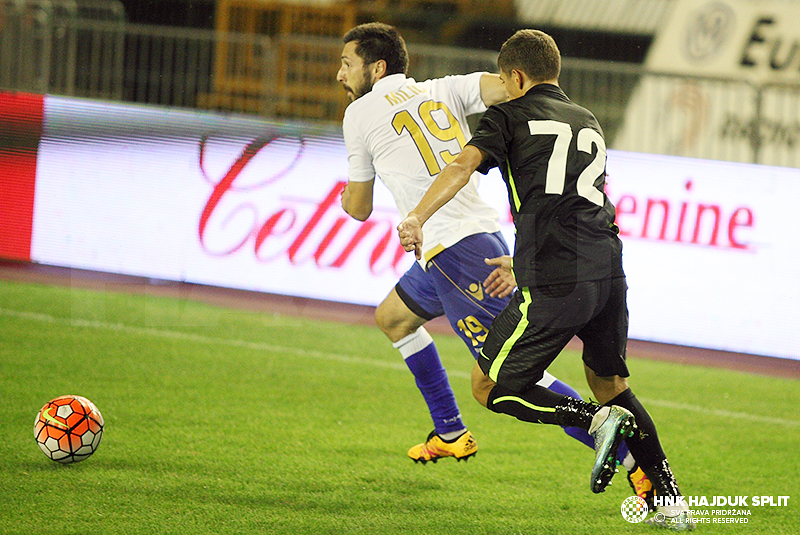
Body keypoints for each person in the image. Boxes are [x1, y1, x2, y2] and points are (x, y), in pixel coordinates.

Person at [336, 20, 652, 502]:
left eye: (346, 64)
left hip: (453, 250)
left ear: (376, 69)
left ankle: (634, 462)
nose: (340, 75)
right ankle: (449, 432)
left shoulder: (359, 113)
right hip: (464, 243)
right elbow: (508, 87)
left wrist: (346, 190)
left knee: (507, 375)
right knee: (393, 319)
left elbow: (358, 208)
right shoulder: (444, 88)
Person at [397, 29, 692, 529]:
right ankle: (671, 500)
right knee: (611, 382)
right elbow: (585, 196)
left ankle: (592, 423)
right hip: (607, 268)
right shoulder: (587, 118)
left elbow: (462, 165)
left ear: (515, 76)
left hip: (556, 278)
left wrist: (417, 217)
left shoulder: (508, 115)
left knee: (489, 386)